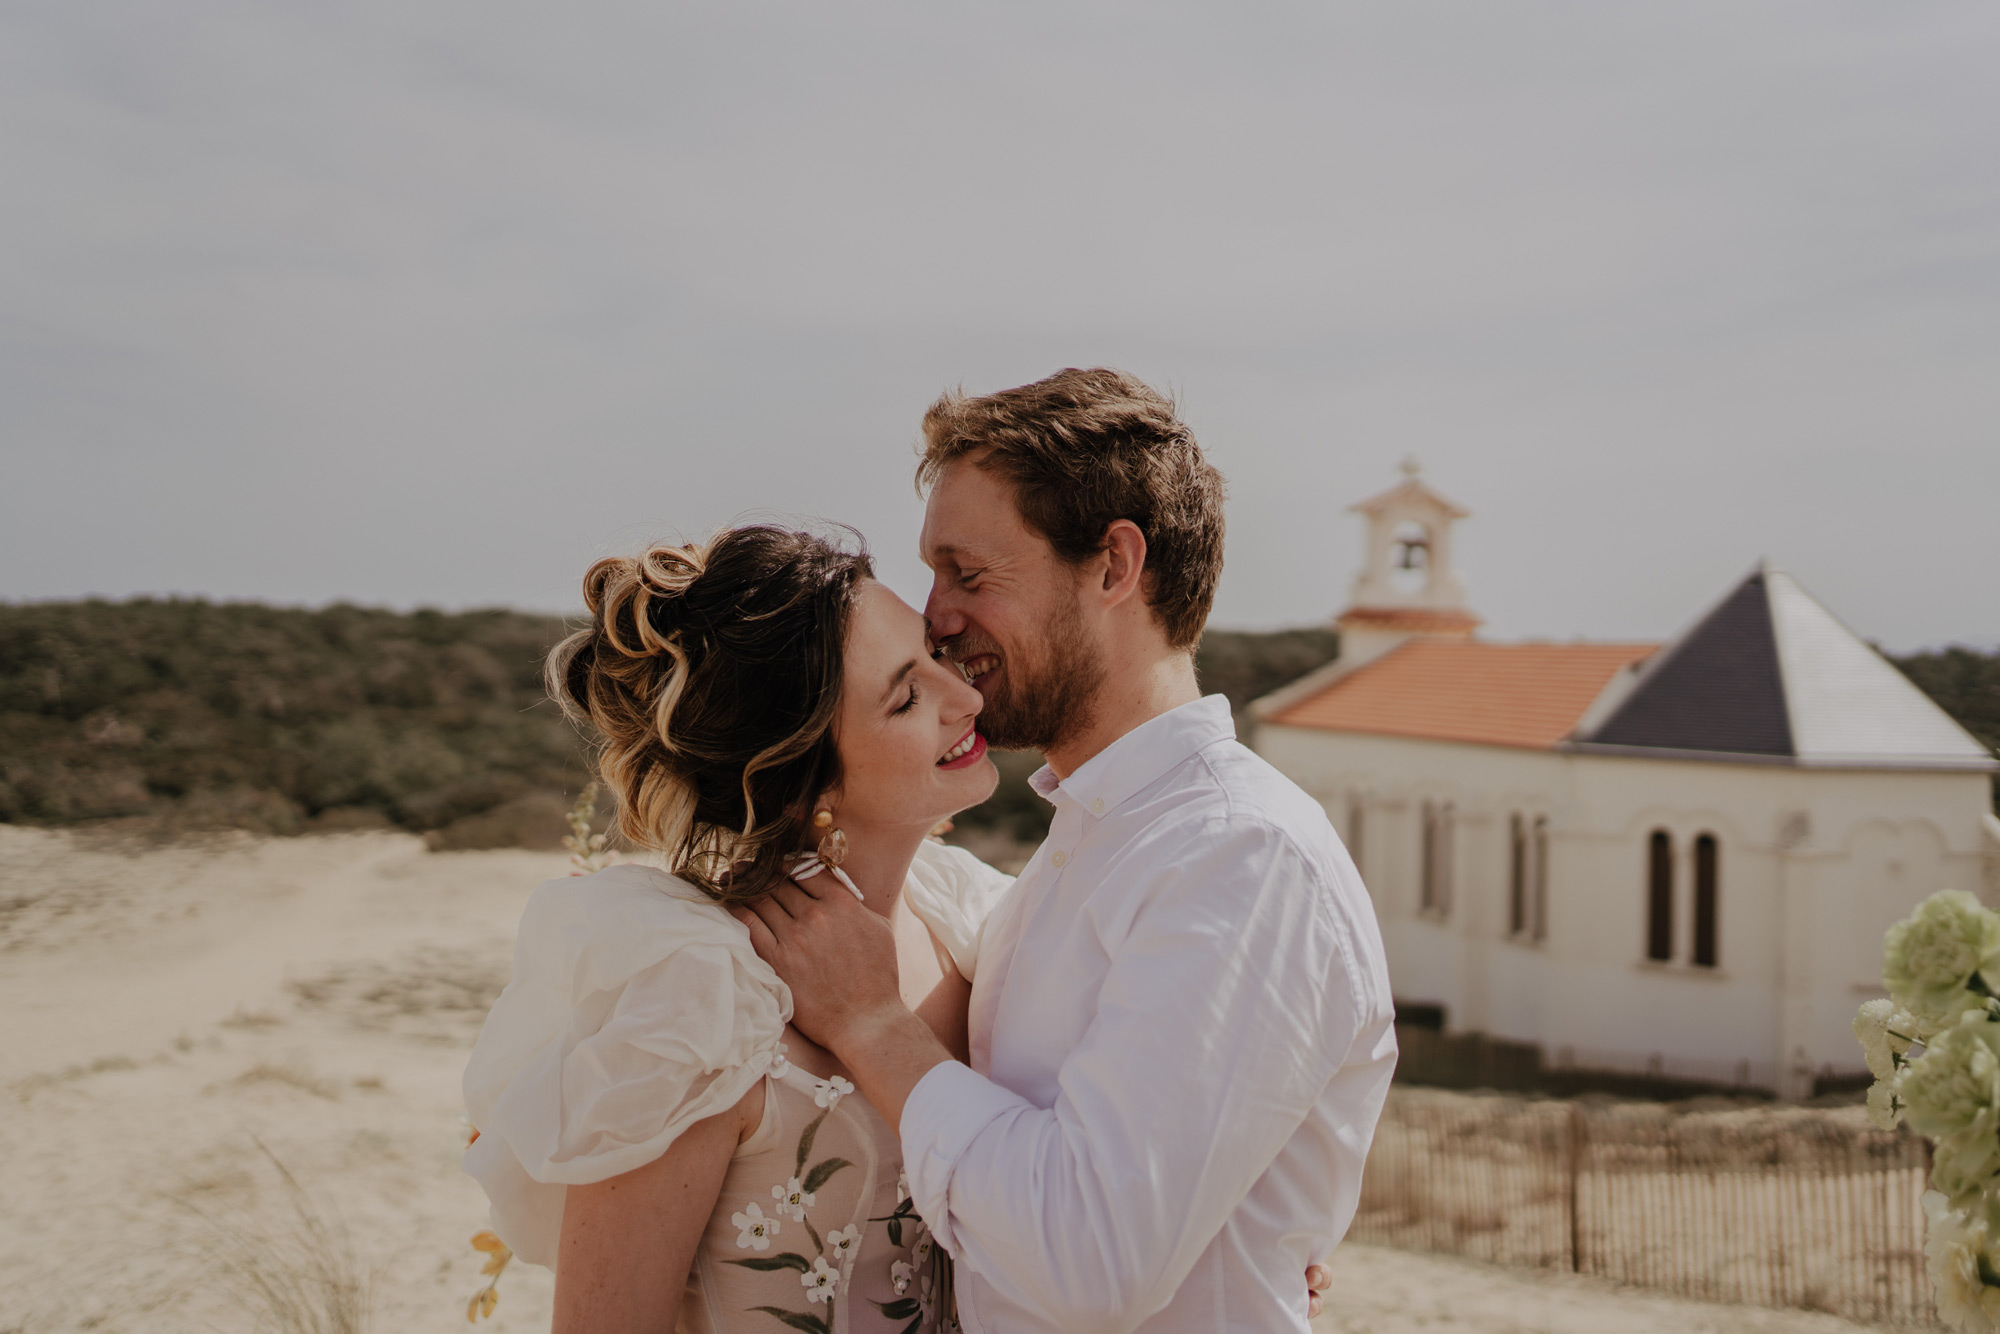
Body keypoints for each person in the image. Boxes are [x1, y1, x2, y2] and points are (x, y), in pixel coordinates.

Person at [739, 369, 1397, 1333]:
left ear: (1113, 567)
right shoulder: (1090, 846)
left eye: (970, 573)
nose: (937, 616)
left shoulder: (1238, 859)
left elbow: (1088, 1262)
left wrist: (874, 1026)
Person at [462, 524, 1013, 1332]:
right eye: (905, 696)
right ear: (800, 780)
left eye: (934, 652)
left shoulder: (970, 920)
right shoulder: (702, 999)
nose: (964, 697)